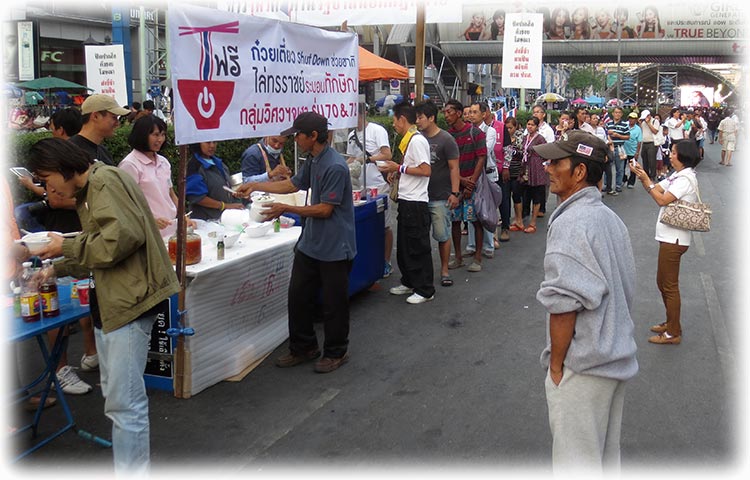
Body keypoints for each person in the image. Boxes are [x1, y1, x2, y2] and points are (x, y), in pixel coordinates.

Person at [31, 137, 180, 475]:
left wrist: (64, 249)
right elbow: (102, 246)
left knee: (125, 406)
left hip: (129, 302)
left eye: (45, 178)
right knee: (120, 402)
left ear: (61, 167)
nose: (47, 187)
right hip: (116, 303)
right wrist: (57, 265)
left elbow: (119, 240)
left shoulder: (102, 182)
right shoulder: (96, 185)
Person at [534, 130, 638, 473]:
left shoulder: (573, 222)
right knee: (604, 463)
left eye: (556, 162)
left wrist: (557, 367)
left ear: (579, 172)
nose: (548, 167)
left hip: (585, 366)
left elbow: (564, 304)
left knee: (576, 466)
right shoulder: (609, 219)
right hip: (614, 357)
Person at [234, 111, 356, 373]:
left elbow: (325, 210)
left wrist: (286, 210)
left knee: (334, 304)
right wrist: (257, 187)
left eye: (298, 135)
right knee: (298, 296)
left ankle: (337, 351)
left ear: (313, 136)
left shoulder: (334, 165)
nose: (294, 140)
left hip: (335, 246)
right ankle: (303, 347)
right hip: (311, 243)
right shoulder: (313, 160)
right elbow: (293, 185)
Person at [631, 140, 702, 345]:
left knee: (669, 286)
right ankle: (672, 324)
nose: (670, 155)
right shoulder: (677, 175)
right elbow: (656, 188)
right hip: (669, 237)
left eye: (673, 152)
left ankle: (673, 333)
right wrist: (643, 176)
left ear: (683, 156)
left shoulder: (685, 179)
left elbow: (661, 199)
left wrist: (647, 181)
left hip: (675, 238)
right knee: (663, 283)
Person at [378, 103, 435, 304]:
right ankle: (409, 281)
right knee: (405, 246)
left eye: (394, 121)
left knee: (418, 246)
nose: (393, 125)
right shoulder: (408, 140)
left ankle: (425, 289)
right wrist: (397, 171)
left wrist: (399, 168)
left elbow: (425, 170)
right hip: (406, 200)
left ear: (402, 119)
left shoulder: (417, 141)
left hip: (416, 202)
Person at [119, 115, 195, 236]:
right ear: (142, 135)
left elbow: (171, 194)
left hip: (170, 229)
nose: (160, 139)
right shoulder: (130, 165)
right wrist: (151, 221)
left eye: (163, 134)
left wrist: (183, 216)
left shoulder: (163, 162)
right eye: (155, 135)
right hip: (147, 232)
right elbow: (125, 204)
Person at [345, 104, 395, 277]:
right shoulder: (352, 135)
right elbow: (351, 157)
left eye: (355, 115)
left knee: (385, 225)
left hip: (378, 184)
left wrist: (367, 158)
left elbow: (387, 154)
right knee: (364, 223)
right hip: (359, 186)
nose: (353, 119)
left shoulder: (377, 130)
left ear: (363, 114)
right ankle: (370, 260)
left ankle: (386, 261)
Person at [415, 101, 460, 288]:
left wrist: (454, 193)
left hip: (440, 196)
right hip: (419, 196)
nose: (417, 121)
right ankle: (423, 272)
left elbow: (454, 167)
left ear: (431, 118)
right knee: (420, 237)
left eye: (420, 117)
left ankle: (444, 270)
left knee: (442, 235)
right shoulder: (416, 139)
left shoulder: (446, 139)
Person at [442, 99, 486, 273]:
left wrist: (471, 183)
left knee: (476, 221)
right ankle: (458, 256)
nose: (446, 115)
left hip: (473, 186)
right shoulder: (446, 136)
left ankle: (478, 257)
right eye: (444, 112)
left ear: (459, 113)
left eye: (449, 112)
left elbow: (481, 158)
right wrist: (460, 180)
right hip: (454, 186)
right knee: (455, 222)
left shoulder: (476, 133)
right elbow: (447, 164)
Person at [465, 102, 498, 259]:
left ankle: (488, 245)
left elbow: (485, 151)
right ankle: (472, 245)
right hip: (472, 175)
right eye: (469, 112)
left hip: (487, 175)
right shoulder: (467, 131)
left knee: (486, 210)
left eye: (474, 112)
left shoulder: (490, 131)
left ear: (484, 114)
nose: (471, 115)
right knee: (471, 211)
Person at [185, 141, 244, 220]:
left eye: (214, 142)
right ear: (198, 143)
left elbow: (224, 186)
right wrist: (224, 206)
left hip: (225, 217)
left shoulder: (218, 163)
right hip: (206, 221)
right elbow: (197, 198)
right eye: (208, 142)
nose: (212, 146)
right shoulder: (194, 167)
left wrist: (235, 194)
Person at [69, 94, 130, 166]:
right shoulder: (71, 152)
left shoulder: (103, 151)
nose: (117, 123)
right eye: (114, 117)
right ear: (95, 116)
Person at [521, 117, 548, 233]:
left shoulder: (540, 139)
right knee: (525, 192)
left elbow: (546, 153)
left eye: (532, 125)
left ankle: (533, 221)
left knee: (537, 193)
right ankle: (523, 217)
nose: (530, 127)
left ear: (537, 127)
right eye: (528, 124)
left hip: (536, 167)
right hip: (526, 166)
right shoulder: (524, 138)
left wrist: (543, 163)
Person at [504, 118, 527, 233]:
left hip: (516, 171)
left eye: (511, 128)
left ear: (516, 127)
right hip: (505, 171)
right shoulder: (503, 137)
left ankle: (519, 220)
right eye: (506, 128)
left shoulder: (521, 138)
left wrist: (512, 151)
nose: (508, 130)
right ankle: (506, 220)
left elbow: (522, 153)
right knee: (505, 197)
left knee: (517, 196)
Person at [604, 106, 630, 195]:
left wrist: (618, 135)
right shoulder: (608, 124)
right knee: (607, 168)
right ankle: (606, 185)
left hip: (620, 148)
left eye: (619, 112)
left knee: (620, 169)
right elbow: (604, 134)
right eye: (616, 112)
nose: (617, 114)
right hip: (609, 148)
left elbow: (627, 136)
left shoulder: (625, 125)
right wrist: (609, 135)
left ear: (621, 114)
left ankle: (618, 185)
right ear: (613, 113)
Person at [638, 109, 660, 180]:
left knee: (652, 160)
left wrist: (648, 123)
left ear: (649, 115)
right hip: (644, 142)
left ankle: (653, 175)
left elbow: (655, 131)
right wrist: (640, 123)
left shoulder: (655, 121)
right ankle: (646, 174)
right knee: (644, 159)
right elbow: (643, 131)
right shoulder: (643, 122)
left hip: (652, 143)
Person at [624, 112, 643, 188]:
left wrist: (637, 153)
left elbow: (639, 141)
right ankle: (624, 179)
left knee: (633, 167)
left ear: (636, 120)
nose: (631, 120)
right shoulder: (625, 125)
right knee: (621, 168)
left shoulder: (638, 129)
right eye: (630, 118)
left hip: (632, 151)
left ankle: (631, 183)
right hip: (623, 150)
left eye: (633, 119)